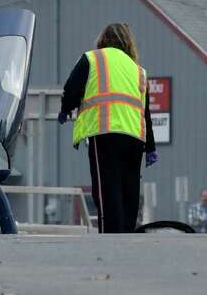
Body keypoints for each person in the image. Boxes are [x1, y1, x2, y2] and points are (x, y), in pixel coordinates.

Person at [57, 23, 157, 233]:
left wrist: (66, 109)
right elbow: (144, 112)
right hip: (134, 138)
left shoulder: (92, 59)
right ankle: (126, 237)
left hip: (105, 133)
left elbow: (71, 88)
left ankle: (110, 240)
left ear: (103, 40)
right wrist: (151, 148)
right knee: (128, 192)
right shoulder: (138, 71)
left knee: (107, 191)